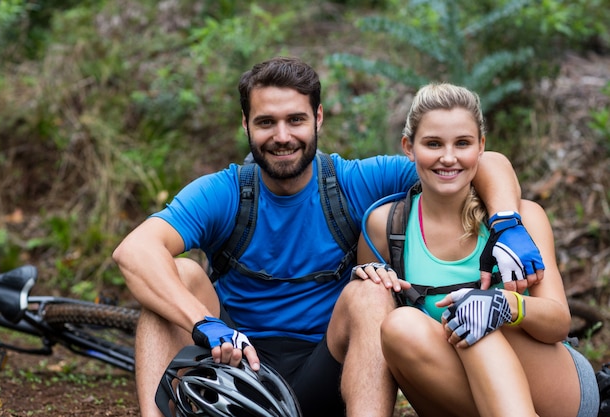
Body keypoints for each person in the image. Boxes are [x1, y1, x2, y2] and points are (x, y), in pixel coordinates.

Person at [112, 57, 544, 417]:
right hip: (237, 367)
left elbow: (480, 161)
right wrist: (202, 322)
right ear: (245, 124)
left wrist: (506, 222)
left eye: (295, 119)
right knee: (175, 280)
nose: (282, 136)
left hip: (329, 369)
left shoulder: (354, 181)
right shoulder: (225, 192)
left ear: (317, 118)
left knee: (371, 292)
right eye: (266, 122)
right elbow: (135, 250)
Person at [354, 83, 599, 416]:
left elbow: (558, 323)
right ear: (408, 147)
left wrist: (506, 305)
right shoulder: (386, 227)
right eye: (433, 144)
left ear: (481, 147)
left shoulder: (522, 219)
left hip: (557, 389)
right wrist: (369, 280)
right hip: (458, 387)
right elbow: (376, 337)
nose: (449, 157)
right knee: (401, 325)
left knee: (472, 319)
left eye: (463, 143)